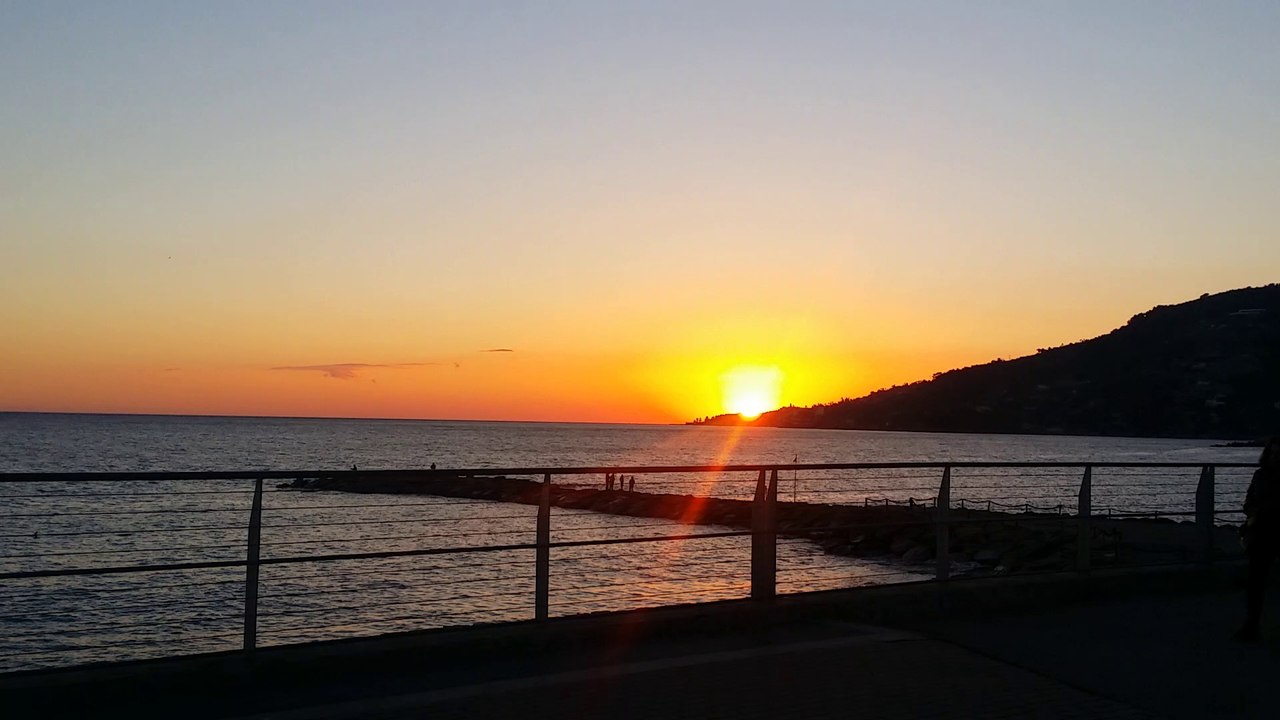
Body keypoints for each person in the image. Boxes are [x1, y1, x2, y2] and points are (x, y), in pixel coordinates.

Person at [1237, 437, 1280, 641]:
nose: (1275, 458)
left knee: (1257, 580)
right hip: (1261, 532)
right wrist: (1252, 512)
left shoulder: (1262, 476)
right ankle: (1251, 625)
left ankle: (1252, 625)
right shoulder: (1260, 475)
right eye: (1273, 453)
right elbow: (1248, 501)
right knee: (1255, 581)